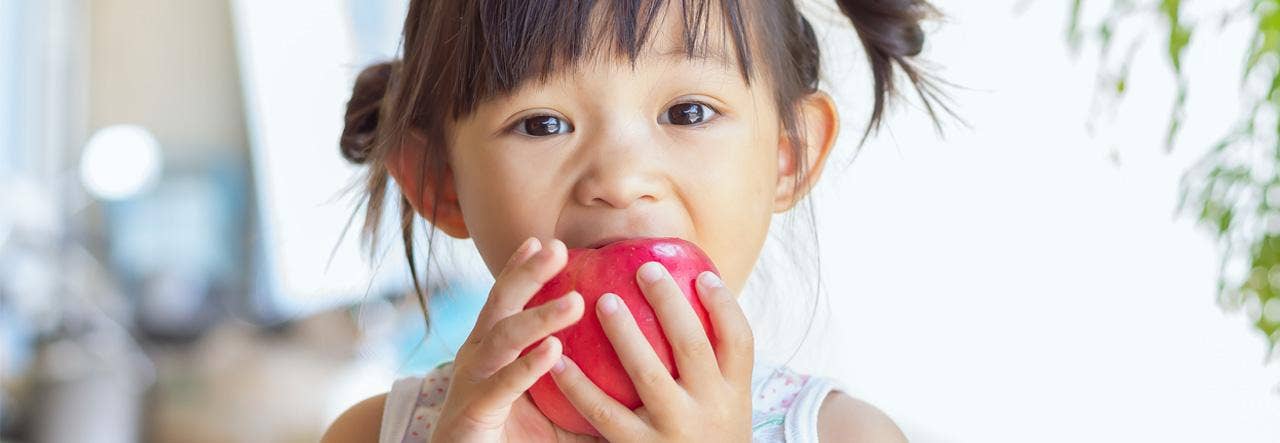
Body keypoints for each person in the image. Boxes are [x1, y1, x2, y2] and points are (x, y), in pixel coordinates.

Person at [323, 0, 944, 441]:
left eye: (690, 111)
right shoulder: (372, 433)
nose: (620, 181)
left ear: (788, 155)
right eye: (542, 123)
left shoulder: (846, 435)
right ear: (441, 181)